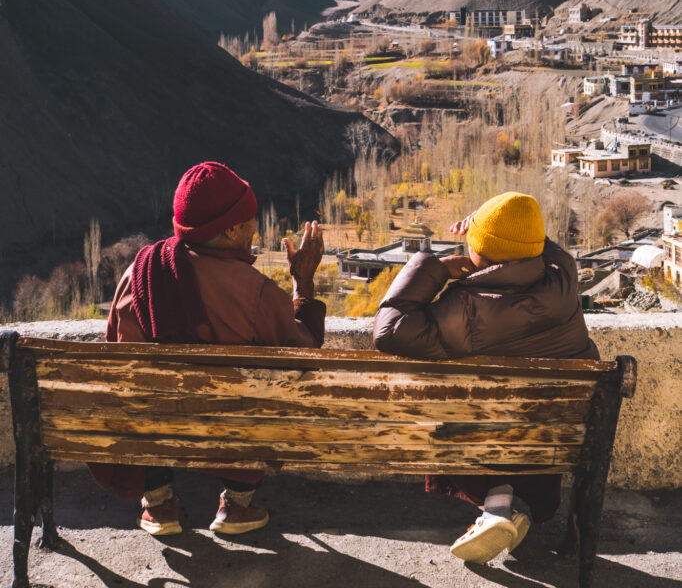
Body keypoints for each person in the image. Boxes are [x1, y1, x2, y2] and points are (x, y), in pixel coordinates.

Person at [91, 160, 326, 538]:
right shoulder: (257, 292)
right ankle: (237, 503)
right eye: (250, 219)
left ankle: (157, 502)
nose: (255, 227)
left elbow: (115, 359)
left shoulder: (139, 274)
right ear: (231, 228)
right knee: (266, 397)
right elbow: (304, 354)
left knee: (142, 396)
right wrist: (303, 284)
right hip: (231, 431)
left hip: (152, 428)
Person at [372, 191, 598, 564]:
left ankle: (497, 501)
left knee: (459, 414)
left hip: (483, 440)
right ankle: (506, 504)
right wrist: (497, 226)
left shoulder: (464, 308)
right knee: (528, 414)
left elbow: (388, 330)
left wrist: (437, 267)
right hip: (558, 436)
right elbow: (542, 246)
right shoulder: (563, 275)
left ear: (481, 252)